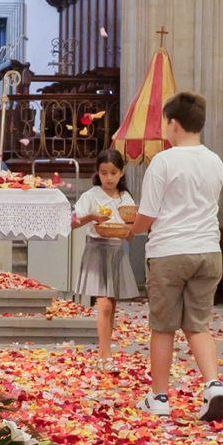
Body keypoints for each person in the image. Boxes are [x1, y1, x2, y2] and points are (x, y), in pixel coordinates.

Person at [126, 92, 223, 421]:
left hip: (170, 252)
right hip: (208, 251)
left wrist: (129, 230)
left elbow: (147, 215)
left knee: (163, 327)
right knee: (198, 325)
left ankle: (159, 397)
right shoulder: (215, 161)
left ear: (173, 123)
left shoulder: (164, 161)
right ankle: (213, 385)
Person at [70, 149, 140, 363]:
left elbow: (130, 231)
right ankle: (105, 353)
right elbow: (73, 222)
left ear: (122, 173)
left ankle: (105, 348)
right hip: (97, 249)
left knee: (112, 304)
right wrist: (92, 216)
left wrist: (130, 230)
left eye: (113, 173)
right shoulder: (91, 195)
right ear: (98, 173)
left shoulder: (125, 197)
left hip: (116, 250)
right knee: (105, 304)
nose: (109, 178)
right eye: (104, 173)